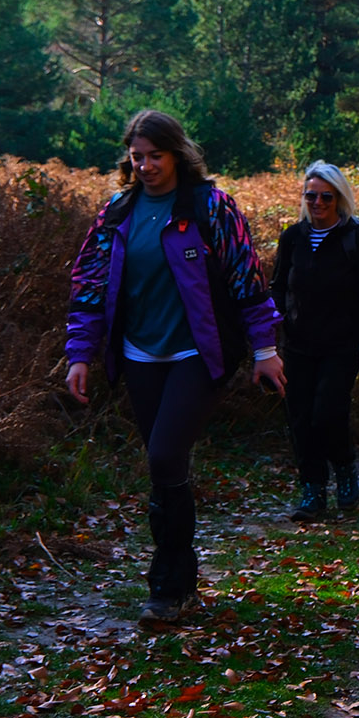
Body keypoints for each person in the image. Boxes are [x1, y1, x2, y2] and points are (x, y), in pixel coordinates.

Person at [65, 110, 284, 627]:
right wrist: (80, 354)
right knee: (166, 467)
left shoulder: (210, 206)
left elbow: (246, 278)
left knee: (164, 454)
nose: (145, 166)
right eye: (137, 157)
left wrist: (264, 348)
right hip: (139, 355)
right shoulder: (117, 212)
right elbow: (89, 286)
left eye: (155, 156)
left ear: (177, 154)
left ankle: (164, 585)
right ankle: (180, 578)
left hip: (197, 354)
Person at [272, 163, 359, 522]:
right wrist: (269, 337)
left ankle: (345, 466)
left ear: (339, 199)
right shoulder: (293, 238)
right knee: (300, 418)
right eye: (311, 196)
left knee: (327, 413)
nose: (318, 203)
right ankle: (313, 490)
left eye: (326, 197)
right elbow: (278, 287)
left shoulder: (357, 240)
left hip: (342, 345)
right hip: (297, 345)